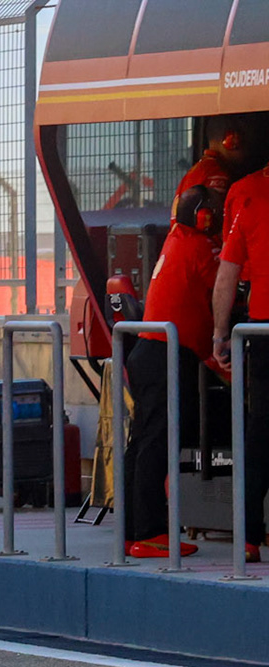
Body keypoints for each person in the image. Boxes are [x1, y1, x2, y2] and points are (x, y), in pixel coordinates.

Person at [124, 185, 222, 559]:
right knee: (157, 444)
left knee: (142, 445)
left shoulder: (175, 239)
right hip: (166, 353)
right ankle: (150, 532)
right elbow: (226, 285)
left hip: (149, 351)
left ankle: (134, 529)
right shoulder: (199, 247)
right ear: (202, 216)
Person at [215, 171, 269, 564]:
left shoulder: (248, 196)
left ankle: (249, 537)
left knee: (261, 429)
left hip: (263, 329)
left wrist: (220, 333)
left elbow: (228, 272)